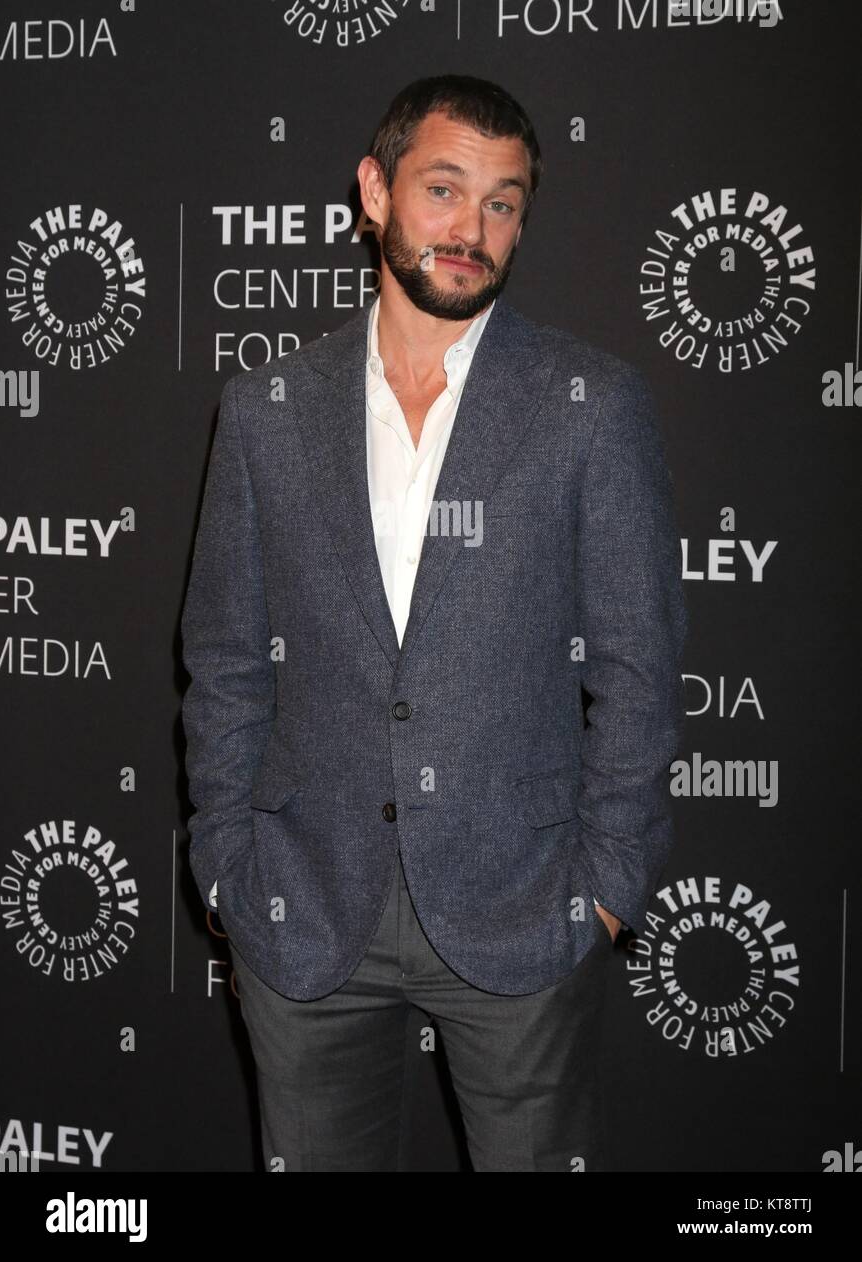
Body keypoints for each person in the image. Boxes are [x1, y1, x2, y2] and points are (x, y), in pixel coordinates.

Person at [180, 74, 688, 1172]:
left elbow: (639, 670)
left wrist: (603, 890)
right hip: (304, 907)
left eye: (502, 203)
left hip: (523, 908)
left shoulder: (588, 405)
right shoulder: (267, 410)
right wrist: (225, 863)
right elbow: (225, 656)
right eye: (444, 189)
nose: (471, 229)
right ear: (374, 191)